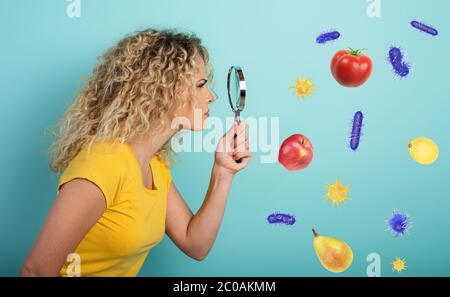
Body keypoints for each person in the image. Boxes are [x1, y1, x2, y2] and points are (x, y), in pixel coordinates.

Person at [20, 29, 251, 276]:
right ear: (163, 91)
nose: (211, 97)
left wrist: (223, 171)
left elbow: (195, 244)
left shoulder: (154, 166)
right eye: (201, 85)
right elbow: (35, 271)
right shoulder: (104, 165)